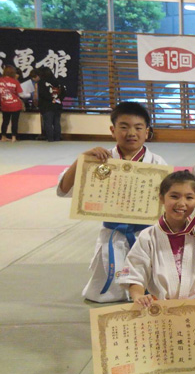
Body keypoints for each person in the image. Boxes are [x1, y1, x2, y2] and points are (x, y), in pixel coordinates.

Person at [56, 102, 168, 302]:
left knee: (154, 291)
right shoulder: (100, 159)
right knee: (106, 294)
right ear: (112, 130)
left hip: (146, 234)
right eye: (124, 127)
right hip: (112, 235)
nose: (131, 132)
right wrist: (81, 160)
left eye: (138, 127)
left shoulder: (158, 164)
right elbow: (63, 190)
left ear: (147, 132)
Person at [119, 171, 195, 356]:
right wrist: (137, 297)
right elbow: (135, 272)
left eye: (189, 197)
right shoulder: (148, 236)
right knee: (139, 346)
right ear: (162, 198)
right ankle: (184, 343)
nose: (181, 203)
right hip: (161, 307)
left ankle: (180, 344)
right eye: (174, 196)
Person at [37, 67, 64, 142]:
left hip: (47, 105)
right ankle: (57, 138)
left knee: (48, 122)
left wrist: (51, 99)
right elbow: (64, 92)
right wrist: (58, 99)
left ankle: (50, 139)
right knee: (57, 122)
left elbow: (42, 94)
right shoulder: (58, 82)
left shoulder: (42, 82)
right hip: (57, 105)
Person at [0, 66, 24, 142]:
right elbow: (21, 94)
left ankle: (3, 136)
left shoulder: (0, 80)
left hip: (4, 104)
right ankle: (14, 137)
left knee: (5, 121)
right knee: (15, 121)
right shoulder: (15, 81)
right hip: (15, 104)